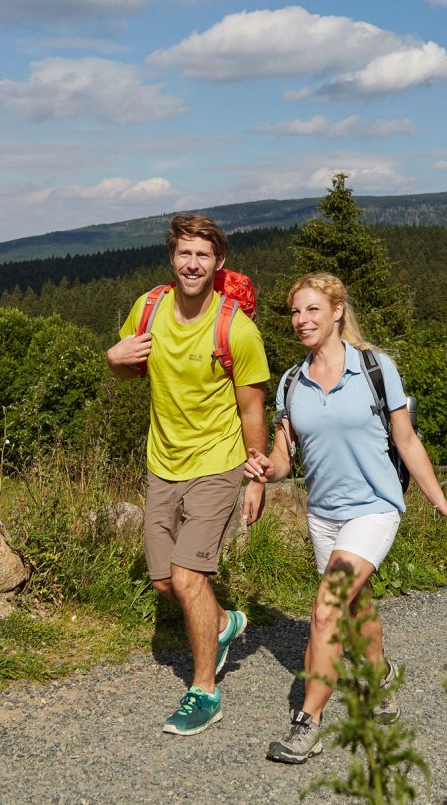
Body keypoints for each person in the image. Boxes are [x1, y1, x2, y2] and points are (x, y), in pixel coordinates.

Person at [245, 272, 447, 764]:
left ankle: (306, 724)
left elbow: (407, 441)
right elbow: (285, 458)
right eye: (294, 312)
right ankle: (380, 678)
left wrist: (441, 502)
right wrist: (267, 469)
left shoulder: (375, 367)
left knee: (326, 607)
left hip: (375, 507)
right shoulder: (293, 382)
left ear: (336, 311)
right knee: (355, 606)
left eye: (312, 309)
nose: (302, 320)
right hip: (324, 516)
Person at [106, 212, 269, 736]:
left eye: (203, 255)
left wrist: (256, 476)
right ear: (171, 258)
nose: (192, 263)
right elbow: (131, 365)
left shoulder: (235, 328)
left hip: (218, 464)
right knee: (162, 582)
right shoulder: (148, 308)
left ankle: (204, 692)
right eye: (184, 253)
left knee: (189, 575)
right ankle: (222, 623)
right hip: (163, 462)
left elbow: (251, 409)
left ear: (217, 263)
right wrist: (113, 359)